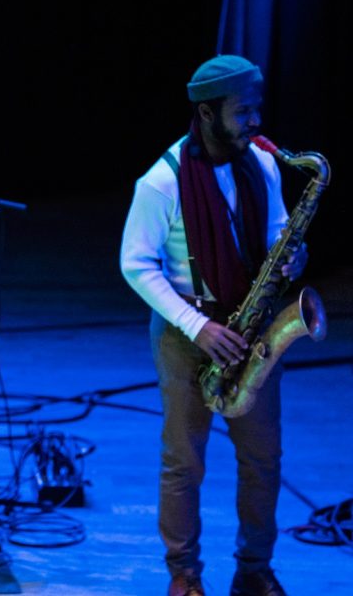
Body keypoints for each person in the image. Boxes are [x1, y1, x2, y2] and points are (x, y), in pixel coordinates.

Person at [121, 54, 307, 596]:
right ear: (207, 113)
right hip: (187, 332)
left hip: (252, 331)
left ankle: (254, 568)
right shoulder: (162, 181)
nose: (255, 122)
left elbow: (275, 231)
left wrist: (290, 255)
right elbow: (136, 264)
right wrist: (196, 326)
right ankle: (184, 574)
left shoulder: (263, 165)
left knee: (263, 458)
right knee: (184, 462)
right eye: (243, 111)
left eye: (257, 109)